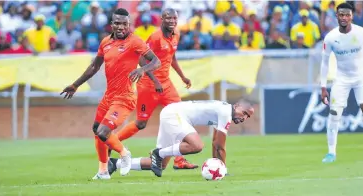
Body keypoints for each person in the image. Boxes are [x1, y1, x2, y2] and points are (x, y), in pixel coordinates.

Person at [61, 8, 161, 179]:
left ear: (129, 24)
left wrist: (142, 70)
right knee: (96, 130)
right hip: (109, 96)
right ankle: (103, 171)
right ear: (112, 24)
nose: (121, 27)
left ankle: (124, 153)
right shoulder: (105, 42)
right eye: (117, 23)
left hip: (125, 97)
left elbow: (156, 61)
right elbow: (94, 66)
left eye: (124, 23)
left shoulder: (135, 41)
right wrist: (75, 85)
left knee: (102, 132)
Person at [112, 8, 198, 170]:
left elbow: (171, 57)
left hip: (167, 85)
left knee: (180, 117)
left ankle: (179, 161)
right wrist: (155, 80)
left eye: (174, 18)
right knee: (141, 123)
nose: (172, 21)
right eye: (168, 18)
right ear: (161, 19)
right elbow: (142, 60)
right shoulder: (156, 37)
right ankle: (112, 142)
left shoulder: (176, 35)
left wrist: (182, 76)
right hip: (148, 86)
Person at [108, 100, 254, 177]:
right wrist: (224, 169)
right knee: (197, 146)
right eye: (244, 112)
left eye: (248, 116)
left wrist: (219, 166)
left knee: (161, 165)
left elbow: (216, 143)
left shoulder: (223, 110)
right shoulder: (225, 112)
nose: (244, 117)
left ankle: (115, 164)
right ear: (237, 106)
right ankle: (158, 153)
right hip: (175, 114)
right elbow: (221, 146)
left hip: (171, 113)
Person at [320, 3, 363, 163]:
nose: (344, 18)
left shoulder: (360, 33)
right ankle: (331, 153)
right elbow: (324, 63)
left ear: (352, 16)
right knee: (334, 115)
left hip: (361, 78)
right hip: (342, 79)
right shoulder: (331, 37)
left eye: (347, 15)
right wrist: (323, 87)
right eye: (341, 15)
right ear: (336, 16)